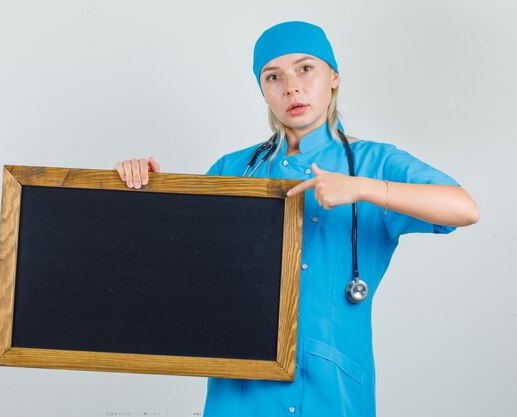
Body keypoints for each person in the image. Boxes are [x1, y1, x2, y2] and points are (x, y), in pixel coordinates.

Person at [114, 21, 479, 417]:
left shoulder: (375, 163)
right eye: (273, 77)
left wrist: (363, 188)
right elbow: (171, 268)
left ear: (334, 77)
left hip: (334, 392)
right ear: (263, 91)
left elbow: (463, 208)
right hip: (240, 391)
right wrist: (141, 190)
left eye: (306, 69)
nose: (291, 87)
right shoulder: (233, 171)